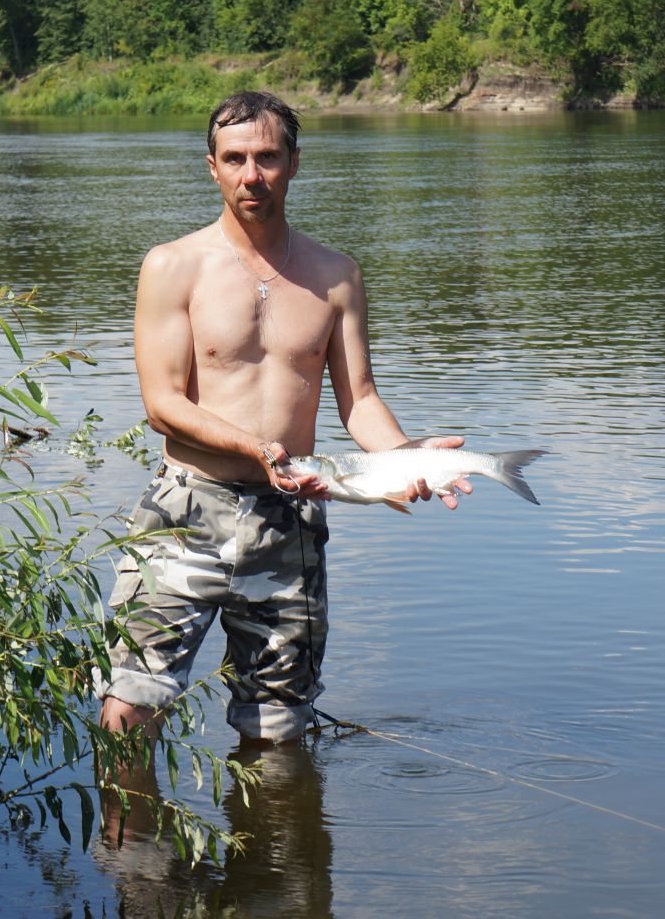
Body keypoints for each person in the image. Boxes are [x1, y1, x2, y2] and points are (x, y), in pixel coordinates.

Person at [95, 90, 471, 745]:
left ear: (295, 162)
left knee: (278, 731)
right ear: (211, 166)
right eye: (235, 159)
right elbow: (164, 406)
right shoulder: (172, 267)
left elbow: (360, 400)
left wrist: (405, 459)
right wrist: (254, 445)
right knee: (129, 711)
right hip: (184, 514)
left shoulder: (336, 275)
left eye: (267, 157)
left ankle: (267, 847)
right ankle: (134, 851)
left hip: (288, 521)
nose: (252, 176)